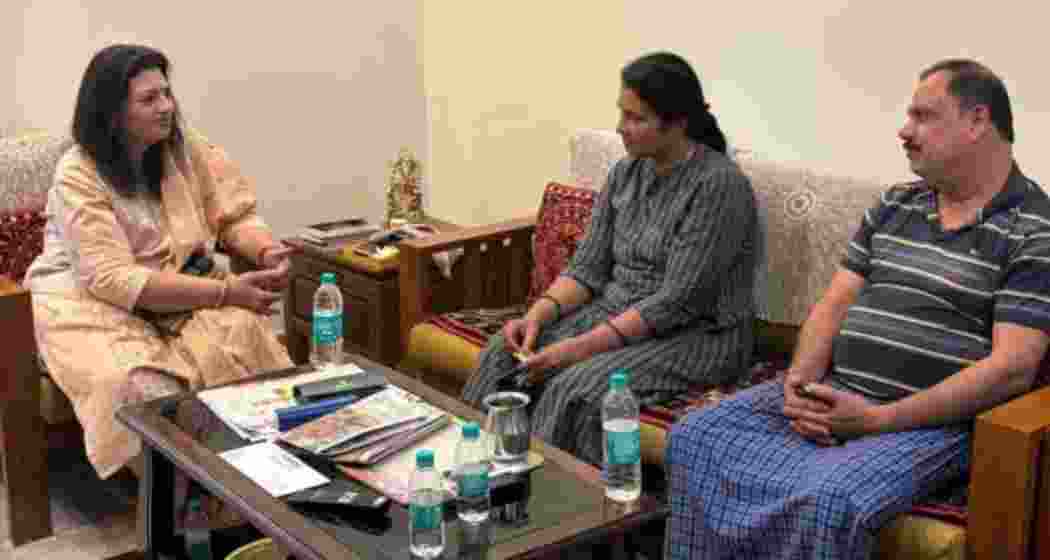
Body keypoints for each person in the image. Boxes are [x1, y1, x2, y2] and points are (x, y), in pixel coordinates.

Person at [664, 59, 1050, 559]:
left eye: (923, 116)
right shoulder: (896, 204)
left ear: (978, 122)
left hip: (927, 422)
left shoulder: (1033, 231)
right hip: (836, 391)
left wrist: (877, 420)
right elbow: (832, 305)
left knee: (828, 499)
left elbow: (1011, 370)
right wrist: (800, 387)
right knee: (696, 437)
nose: (903, 130)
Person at [461, 52, 759, 465]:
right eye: (622, 113)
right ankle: (475, 472)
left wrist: (576, 349)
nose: (621, 128)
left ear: (677, 123)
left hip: (695, 335)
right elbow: (586, 269)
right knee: (501, 353)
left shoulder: (719, 186)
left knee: (575, 387)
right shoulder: (625, 172)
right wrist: (537, 317)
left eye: (636, 118)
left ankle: (555, 510)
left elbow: (676, 302)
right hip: (617, 313)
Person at [25, 44, 295, 479]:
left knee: (243, 337)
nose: (167, 107)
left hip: (182, 286)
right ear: (112, 111)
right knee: (138, 385)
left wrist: (265, 250)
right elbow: (113, 279)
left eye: (167, 94)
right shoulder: (77, 173)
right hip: (90, 302)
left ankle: (261, 480)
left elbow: (233, 214)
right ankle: (178, 507)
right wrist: (227, 292)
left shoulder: (183, 150)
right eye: (149, 99)